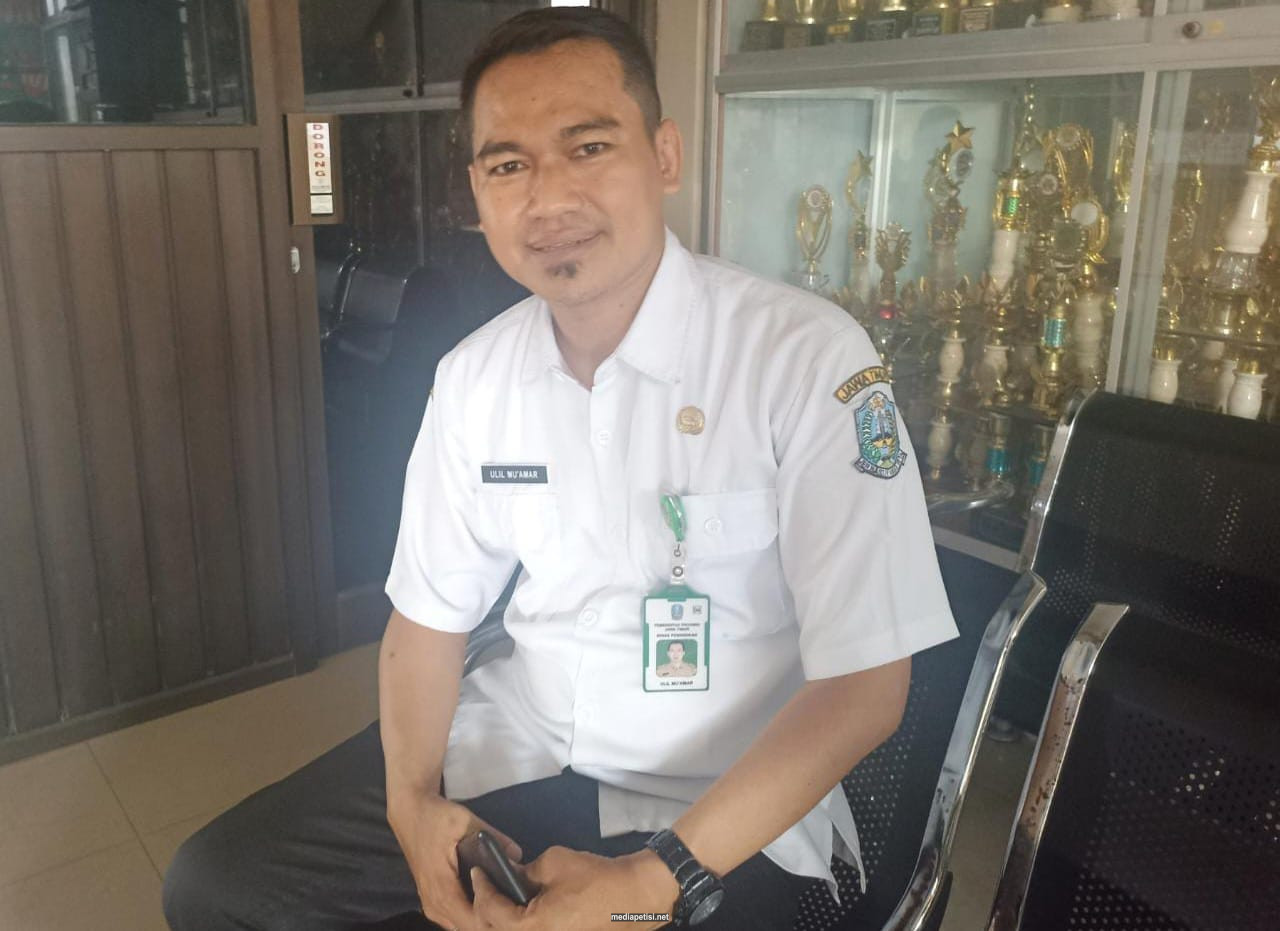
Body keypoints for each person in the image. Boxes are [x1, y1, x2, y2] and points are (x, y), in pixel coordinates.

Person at [162, 8, 957, 931]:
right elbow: (426, 623)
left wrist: (656, 878)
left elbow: (867, 686)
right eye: (508, 165)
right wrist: (411, 803)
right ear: (477, 192)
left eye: (588, 147)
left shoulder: (805, 358)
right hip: (520, 752)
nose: (548, 199)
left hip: (724, 806)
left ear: (665, 155)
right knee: (215, 884)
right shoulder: (474, 379)